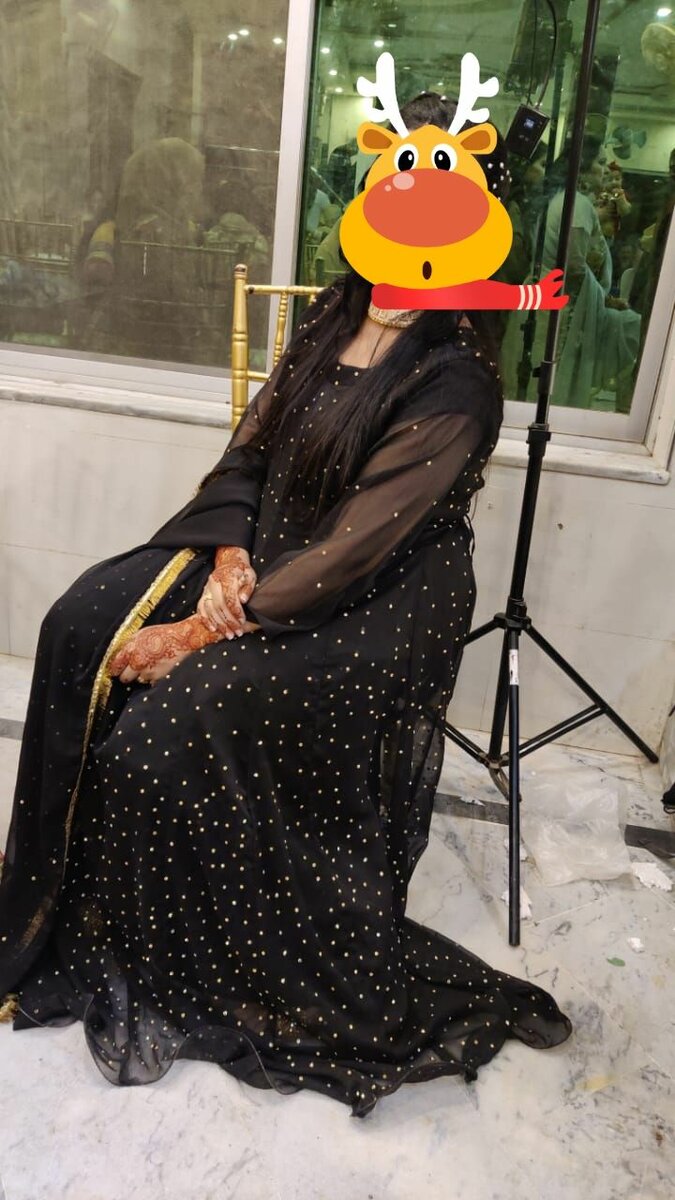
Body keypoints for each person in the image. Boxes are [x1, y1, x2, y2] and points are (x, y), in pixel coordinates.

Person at [0, 92, 572, 1118]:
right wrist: (225, 553)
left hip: (373, 599)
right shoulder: (337, 314)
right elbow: (252, 446)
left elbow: (358, 548)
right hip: (261, 548)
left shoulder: (456, 382)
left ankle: (177, 954)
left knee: (158, 740)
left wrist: (202, 630)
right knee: (79, 622)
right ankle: (59, 909)